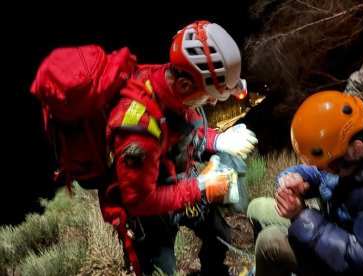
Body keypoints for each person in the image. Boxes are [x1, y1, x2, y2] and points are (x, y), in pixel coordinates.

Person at [100, 20, 258, 276]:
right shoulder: (137, 128)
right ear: (185, 86)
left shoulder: (177, 83)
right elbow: (139, 200)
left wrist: (218, 140)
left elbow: (187, 130)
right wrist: (201, 187)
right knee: (164, 269)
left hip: (182, 183)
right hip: (152, 208)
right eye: (208, 97)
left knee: (220, 235)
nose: (209, 104)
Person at [247, 90, 363, 275]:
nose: (323, 170)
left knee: (269, 242)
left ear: (356, 149)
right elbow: (322, 173)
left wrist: (302, 216)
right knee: (257, 208)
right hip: (335, 230)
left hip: (352, 262)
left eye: (330, 166)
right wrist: (294, 178)